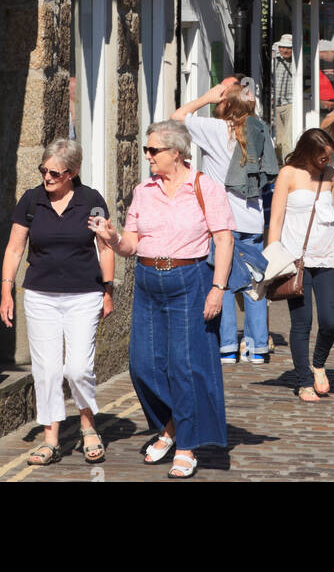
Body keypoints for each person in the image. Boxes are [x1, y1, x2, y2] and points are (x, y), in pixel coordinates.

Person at [89, 121, 234, 479]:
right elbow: (131, 245)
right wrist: (112, 237)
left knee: (184, 366)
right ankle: (171, 425)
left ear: (177, 153)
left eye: (153, 150)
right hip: (148, 279)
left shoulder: (205, 187)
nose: (148, 156)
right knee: (143, 365)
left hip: (191, 279)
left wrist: (218, 288)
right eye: (147, 150)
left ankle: (185, 445)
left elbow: (225, 240)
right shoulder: (144, 191)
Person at [0, 139, 114, 467]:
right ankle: (51, 438)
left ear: (73, 173)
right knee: (47, 370)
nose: (47, 177)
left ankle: (88, 425)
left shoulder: (91, 201)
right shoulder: (31, 201)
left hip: (84, 295)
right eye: (43, 170)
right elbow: (14, 249)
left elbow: (104, 247)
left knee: (78, 368)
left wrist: (108, 290)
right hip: (41, 296)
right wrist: (7, 291)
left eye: (55, 173)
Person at [172, 78, 277, 365]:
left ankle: (228, 346)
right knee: (254, 284)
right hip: (253, 220)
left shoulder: (216, 130)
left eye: (220, 101)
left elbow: (177, 117)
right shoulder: (261, 130)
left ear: (227, 105)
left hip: (222, 221)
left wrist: (204, 98)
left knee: (224, 282)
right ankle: (257, 348)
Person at [267, 128, 334, 401]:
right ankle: (304, 381)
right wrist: (273, 258)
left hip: (328, 256)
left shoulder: (331, 176)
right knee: (302, 323)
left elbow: (333, 219)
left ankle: (318, 364)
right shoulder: (288, 174)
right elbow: (276, 219)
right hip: (298, 260)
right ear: (308, 151)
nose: (327, 162)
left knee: (331, 322)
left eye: (330, 157)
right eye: (322, 157)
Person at [273, 34, 294, 157]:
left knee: (288, 137)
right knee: (278, 138)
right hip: (275, 102)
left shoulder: (297, 61)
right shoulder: (274, 60)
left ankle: (288, 161)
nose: (285, 50)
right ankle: (279, 162)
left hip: (290, 103)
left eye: (289, 48)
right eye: (282, 47)